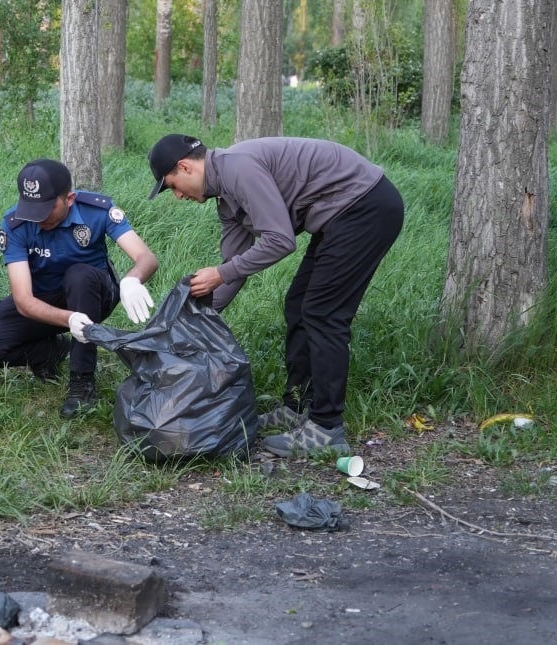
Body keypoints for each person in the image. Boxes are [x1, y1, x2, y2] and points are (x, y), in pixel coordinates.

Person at [147, 133, 404, 456]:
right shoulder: (226, 198)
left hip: (365, 207)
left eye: (171, 186)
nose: (177, 196)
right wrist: (192, 318)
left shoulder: (238, 169)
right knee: (298, 306)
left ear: (184, 167)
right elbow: (233, 269)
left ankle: (326, 428)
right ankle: (297, 405)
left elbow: (280, 241)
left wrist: (220, 274)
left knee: (323, 314)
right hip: (340, 216)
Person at [0, 159, 159, 418]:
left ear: (69, 199)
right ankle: (49, 351)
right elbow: (23, 300)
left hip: (92, 292)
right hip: (44, 301)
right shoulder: (16, 224)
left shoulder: (96, 210)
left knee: (78, 276)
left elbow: (146, 258)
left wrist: (131, 280)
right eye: (31, 208)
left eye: (46, 208)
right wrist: (68, 319)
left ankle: (82, 381)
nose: (38, 217)